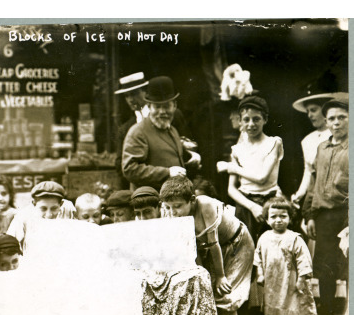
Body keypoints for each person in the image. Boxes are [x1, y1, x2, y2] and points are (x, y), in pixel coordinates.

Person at [160, 176, 254, 315]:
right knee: (206, 292)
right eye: (168, 207)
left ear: (192, 200)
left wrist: (220, 276)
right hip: (210, 250)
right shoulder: (169, 210)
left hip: (237, 244)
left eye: (178, 206)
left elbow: (214, 243)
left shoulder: (206, 205)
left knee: (225, 294)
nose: (173, 212)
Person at [303, 94, 348, 315]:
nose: (337, 122)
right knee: (326, 271)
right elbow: (314, 185)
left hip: (347, 215)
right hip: (325, 218)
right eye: (332, 118)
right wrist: (310, 214)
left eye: (342, 117)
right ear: (326, 122)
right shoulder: (321, 148)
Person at [216, 95, 284, 243]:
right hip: (246, 205)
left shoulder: (274, 143)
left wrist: (231, 167)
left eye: (256, 119)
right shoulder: (237, 149)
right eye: (246, 119)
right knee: (246, 248)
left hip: (270, 203)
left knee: (272, 246)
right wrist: (252, 207)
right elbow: (231, 189)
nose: (251, 124)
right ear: (240, 121)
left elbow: (262, 178)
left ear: (265, 119)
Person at [255, 198, 316, 315]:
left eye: (283, 216)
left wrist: (302, 279)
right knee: (272, 313)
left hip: (290, 282)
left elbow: (304, 260)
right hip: (272, 282)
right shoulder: (264, 238)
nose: (278, 220)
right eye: (274, 216)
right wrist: (260, 274)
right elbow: (258, 258)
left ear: (289, 217)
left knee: (292, 312)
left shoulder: (295, 238)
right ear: (267, 220)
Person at [122, 76, 201, 191]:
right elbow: (130, 169)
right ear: (149, 107)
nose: (162, 112)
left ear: (174, 106)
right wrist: (167, 173)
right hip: (150, 203)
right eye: (157, 107)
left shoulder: (172, 130)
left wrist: (190, 160)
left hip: (173, 200)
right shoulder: (138, 132)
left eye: (166, 106)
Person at [291, 93, 335, 206]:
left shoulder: (337, 135)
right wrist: (299, 194)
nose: (310, 115)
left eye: (313, 110)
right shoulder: (307, 140)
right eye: (308, 112)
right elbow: (308, 171)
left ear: (325, 110)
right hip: (314, 193)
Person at [7, 181, 70, 253]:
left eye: (54, 208)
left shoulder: (68, 211)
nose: (49, 215)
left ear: (61, 204)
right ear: (34, 204)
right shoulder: (22, 217)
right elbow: (9, 244)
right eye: (43, 209)